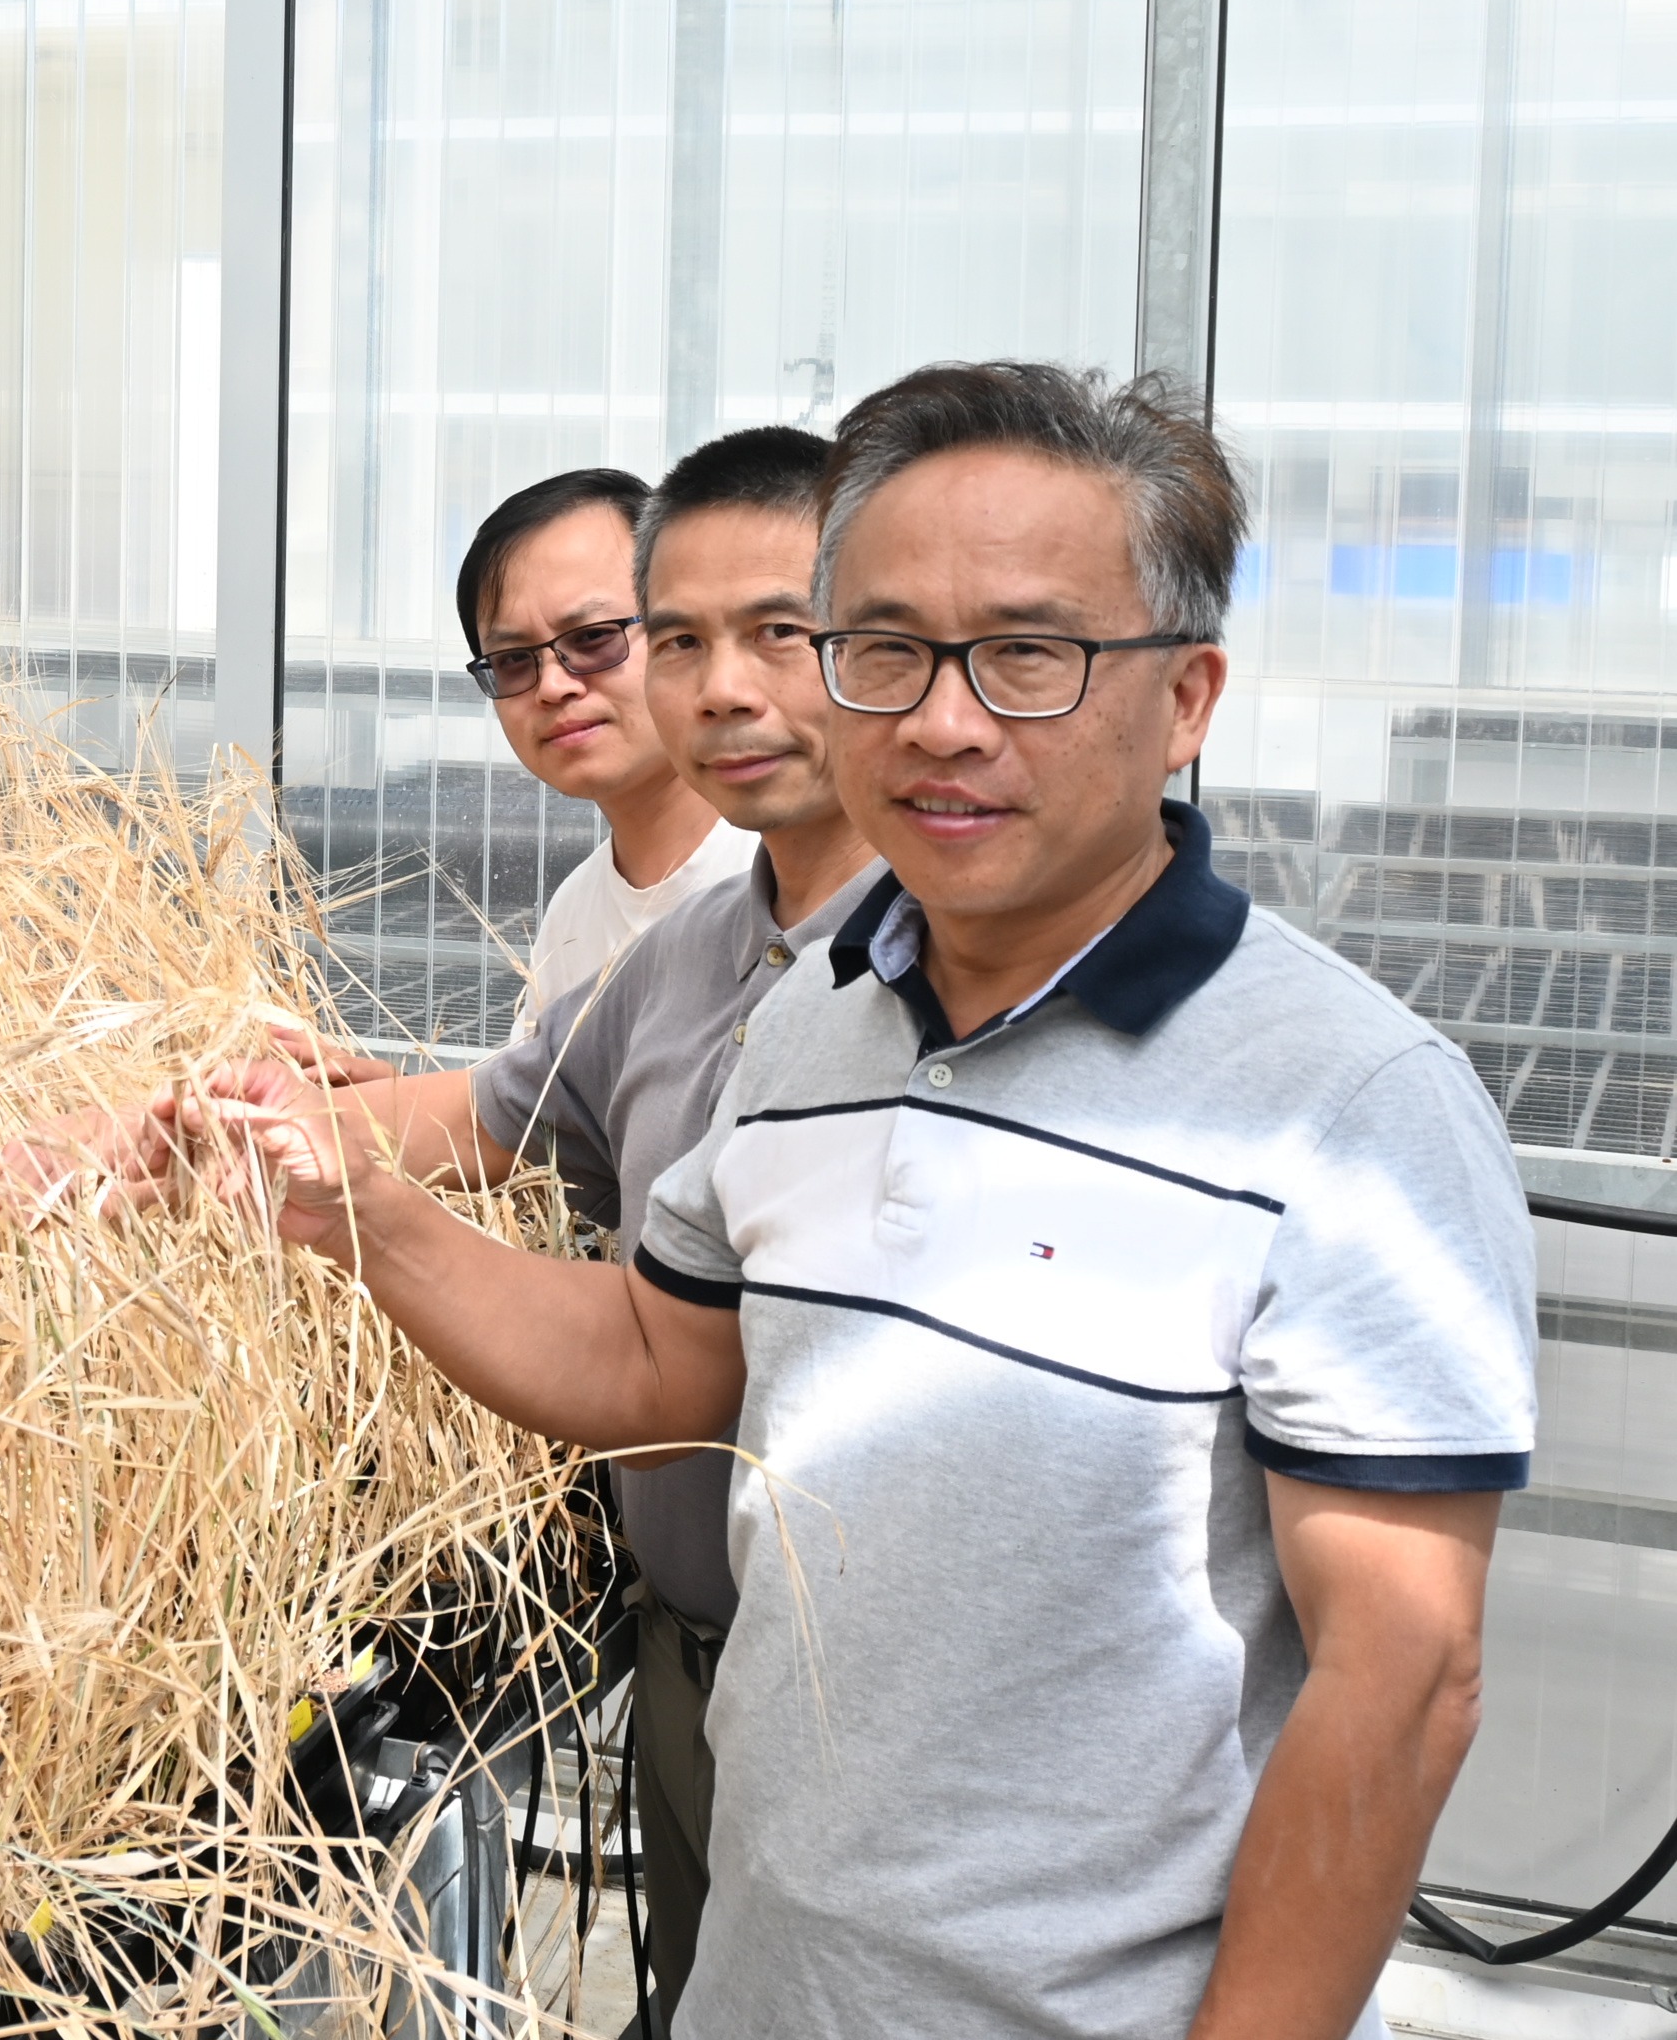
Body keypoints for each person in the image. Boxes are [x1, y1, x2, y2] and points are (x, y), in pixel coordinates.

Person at [184, 365, 1536, 2040]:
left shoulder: (1346, 1102)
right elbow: (652, 1364)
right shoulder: (813, 1018)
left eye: (1029, 654)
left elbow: (1400, 1682)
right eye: (884, 647)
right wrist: (355, 1219)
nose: (943, 718)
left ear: (1186, 697)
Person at [9, 425, 875, 2025]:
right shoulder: (674, 954)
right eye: (673, 641)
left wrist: (325, 1185)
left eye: (772, 633)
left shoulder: (938, 968)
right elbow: (497, 1123)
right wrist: (182, 1137)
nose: (715, 687)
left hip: (874, 1670)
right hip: (698, 1605)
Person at [455, 469, 756, 1015]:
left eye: (592, 638)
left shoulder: (783, 870)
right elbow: (531, 1099)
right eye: (513, 661)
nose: (552, 686)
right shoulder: (576, 913)